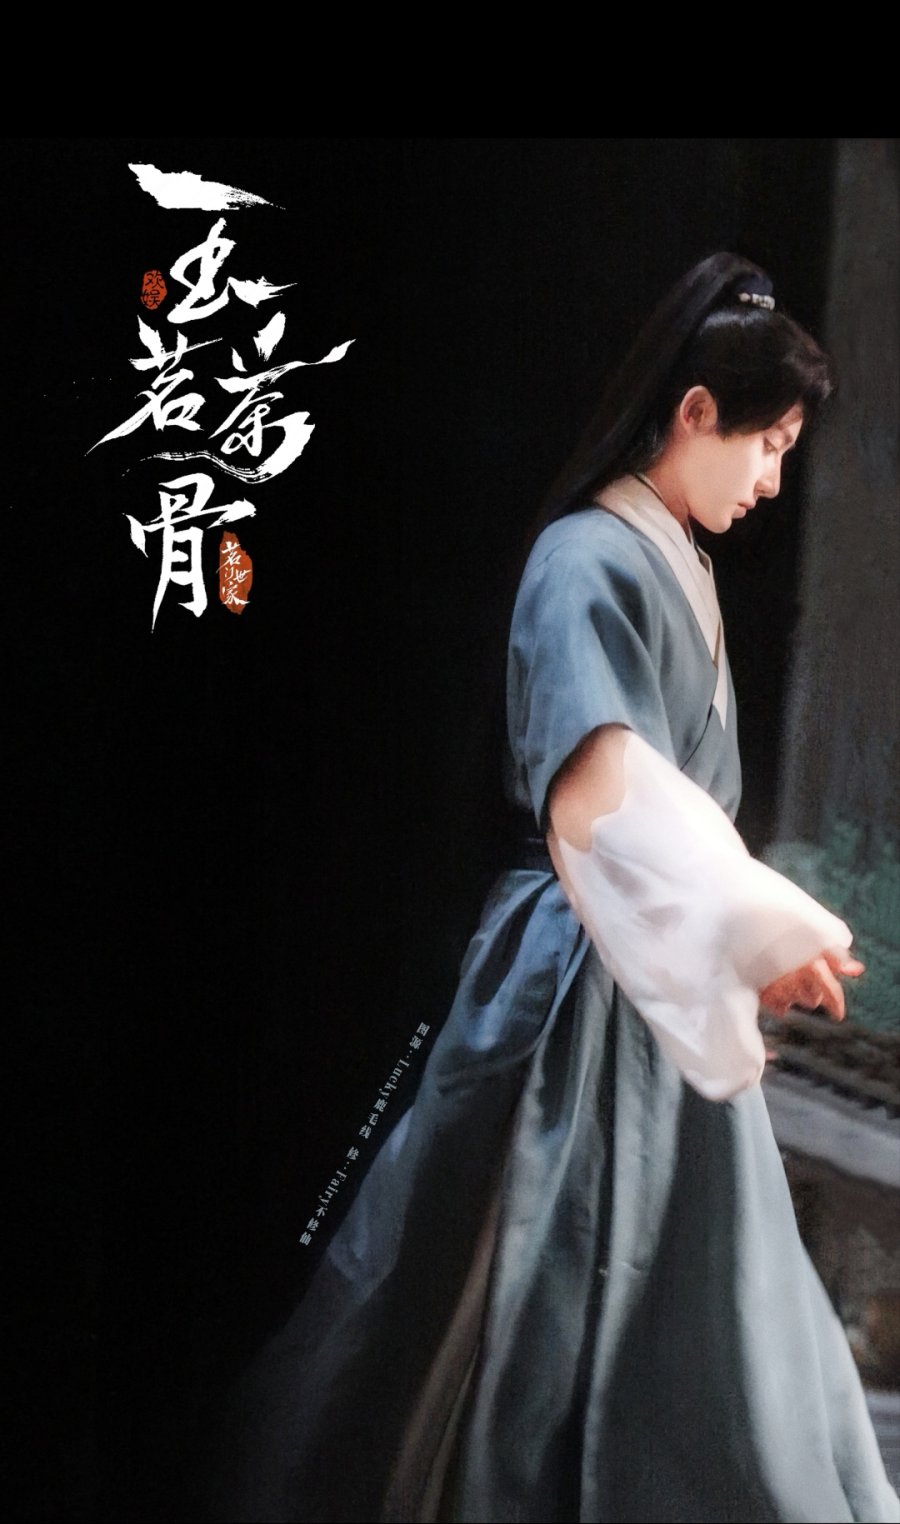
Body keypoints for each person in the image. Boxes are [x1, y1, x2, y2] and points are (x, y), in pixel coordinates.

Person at [203, 254, 900, 1523]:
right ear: (694, 411)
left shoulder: (677, 567)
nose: (770, 479)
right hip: (571, 973)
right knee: (505, 1291)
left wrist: (741, 935)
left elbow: (668, 813)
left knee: (700, 1307)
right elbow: (604, 790)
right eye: (766, 445)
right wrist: (757, 920)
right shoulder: (588, 558)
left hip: (649, 981)